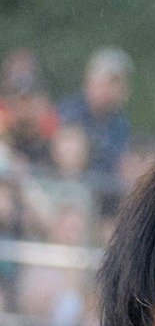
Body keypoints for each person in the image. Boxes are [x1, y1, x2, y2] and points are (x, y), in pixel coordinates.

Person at [55, 47, 132, 209]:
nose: (110, 89)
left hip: (104, 202)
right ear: (90, 81)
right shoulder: (70, 113)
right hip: (65, 195)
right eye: (107, 81)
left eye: (117, 83)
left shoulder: (121, 124)